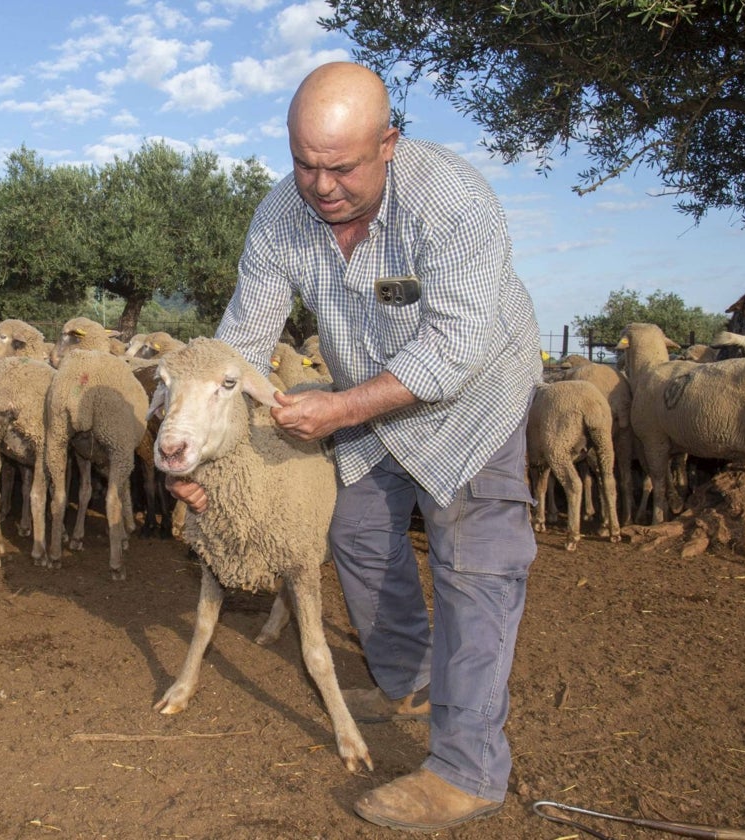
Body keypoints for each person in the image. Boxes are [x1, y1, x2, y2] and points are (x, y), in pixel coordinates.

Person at [167, 61, 541, 832]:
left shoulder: (455, 202)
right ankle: (407, 678)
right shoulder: (281, 217)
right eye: (305, 164)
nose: (321, 185)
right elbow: (237, 349)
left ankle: (466, 770)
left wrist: (337, 407)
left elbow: (453, 351)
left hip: (475, 398)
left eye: (341, 166)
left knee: (475, 564)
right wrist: (197, 448)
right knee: (358, 531)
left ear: (389, 144)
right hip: (367, 398)